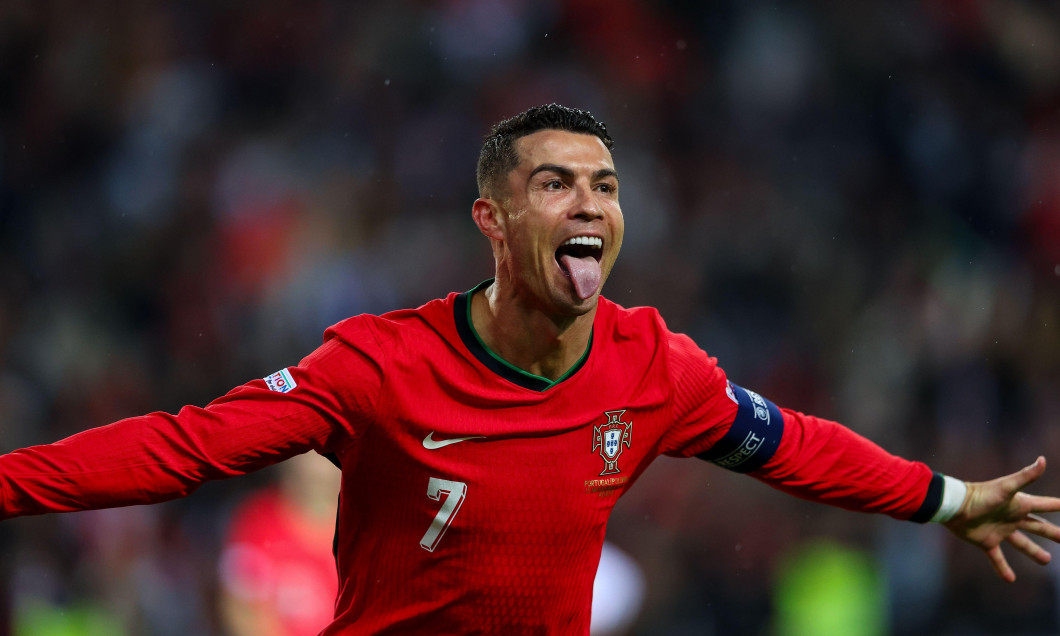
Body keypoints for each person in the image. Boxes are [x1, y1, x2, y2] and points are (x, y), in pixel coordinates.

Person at [0, 104, 1058, 634]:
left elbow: (792, 447)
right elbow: (179, 449)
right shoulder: (377, 366)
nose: (589, 203)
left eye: (603, 184)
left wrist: (949, 500)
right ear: (492, 221)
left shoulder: (654, 367)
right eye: (555, 183)